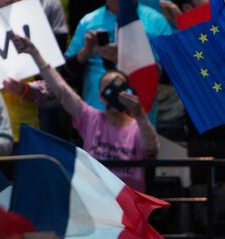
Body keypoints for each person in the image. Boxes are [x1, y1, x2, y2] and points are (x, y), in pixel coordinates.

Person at [13, 32, 158, 190]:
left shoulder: (138, 127)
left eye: (118, 88)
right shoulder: (91, 118)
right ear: (100, 96)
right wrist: (35, 53)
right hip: (95, 199)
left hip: (128, 202)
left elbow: (151, 149)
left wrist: (140, 114)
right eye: (108, 90)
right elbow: (61, 90)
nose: (113, 94)